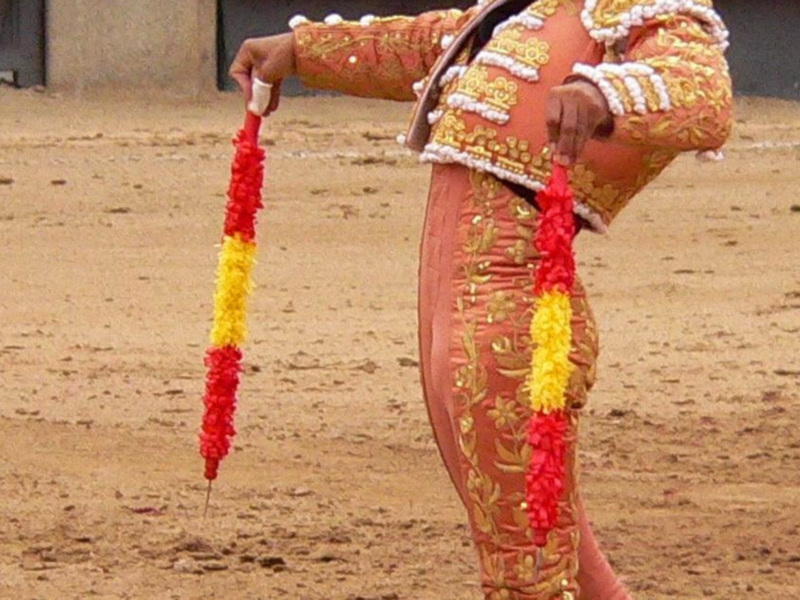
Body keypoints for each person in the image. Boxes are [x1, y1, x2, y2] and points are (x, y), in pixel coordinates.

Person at [228, 1, 732, 598]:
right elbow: (430, 45)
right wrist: (301, 51)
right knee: (538, 537)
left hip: (515, 291)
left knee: (526, 549)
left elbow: (702, 95)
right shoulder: (538, 8)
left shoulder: (642, 7)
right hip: (456, 292)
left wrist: (602, 97)